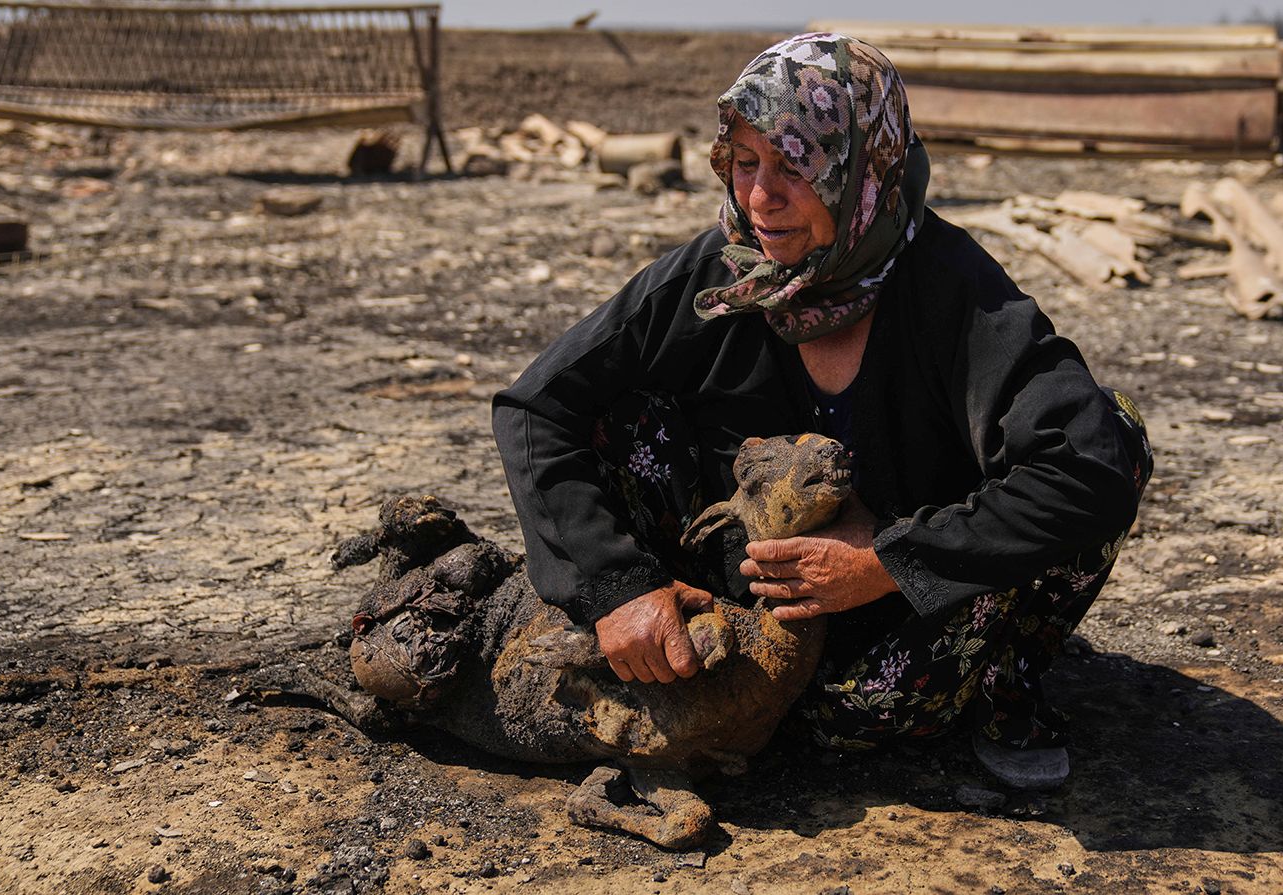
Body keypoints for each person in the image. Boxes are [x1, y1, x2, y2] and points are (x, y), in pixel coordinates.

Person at [492, 33, 1150, 790]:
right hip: (734, 634)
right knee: (620, 411)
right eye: (745, 164)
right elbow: (536, 405)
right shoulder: (723, 272)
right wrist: (617, 587)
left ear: (863, 172)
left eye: (795, 166)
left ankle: (1003, 691)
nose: (759, 199)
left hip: (894, 658)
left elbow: (1088, 460)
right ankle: (680, 664)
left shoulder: (951, 291)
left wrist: (887, 560)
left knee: (1115, 430)